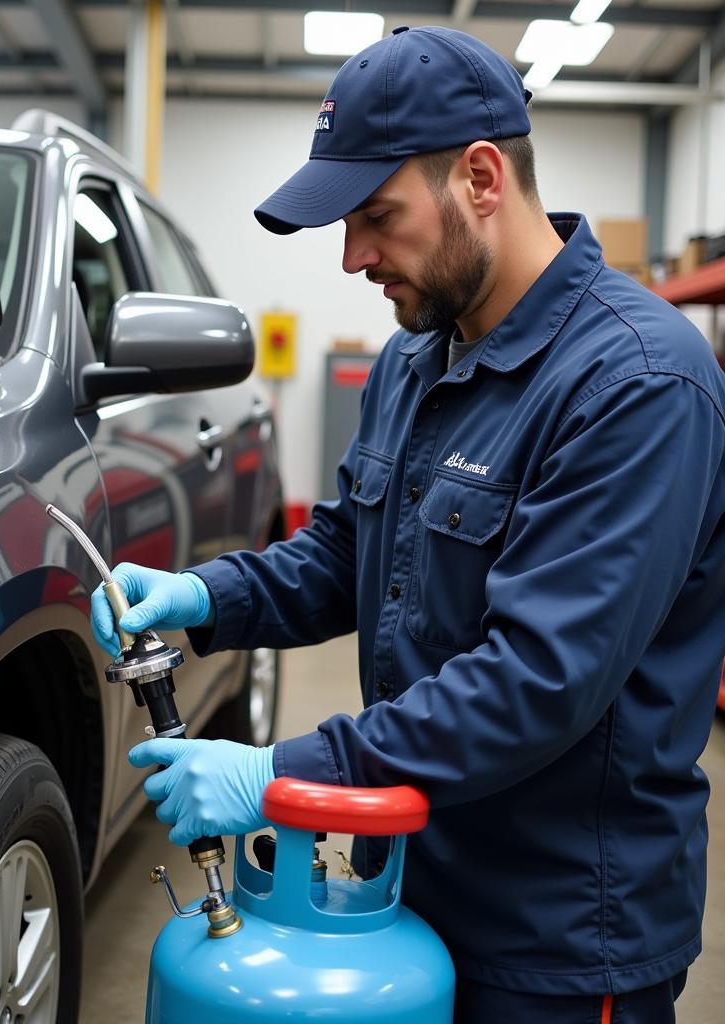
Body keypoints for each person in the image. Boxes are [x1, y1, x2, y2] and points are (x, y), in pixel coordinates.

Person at [91, 25, 725, 1024]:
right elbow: (347, 551)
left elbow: (535, 682)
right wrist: (206, 595)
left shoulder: (636, 383)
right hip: (403, 884)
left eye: (375, 217)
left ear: (480, 177)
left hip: (558, 936)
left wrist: (279, 774)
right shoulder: (417, 358)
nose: (352, 259)